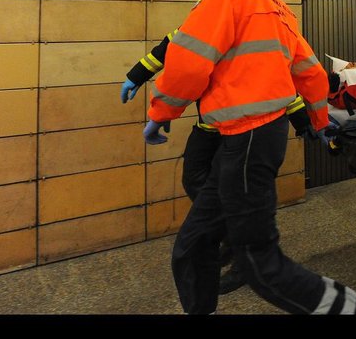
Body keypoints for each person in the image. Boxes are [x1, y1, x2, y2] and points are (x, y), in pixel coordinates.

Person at [146, 0, 356, 314]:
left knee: (262, 266)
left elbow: (189, 59)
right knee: (192, 246)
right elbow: (311, 71)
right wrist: (319, 120)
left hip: (247, 138)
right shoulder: (278, 7)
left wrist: (161, 112)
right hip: (257, 137)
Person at [123, 29, 310, 296]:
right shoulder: (205, 19)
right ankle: (231, 233)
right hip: (209, 124)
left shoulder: (253, 32)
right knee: (194, 179)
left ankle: (242, 258)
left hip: (243, 127)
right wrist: (136, 75)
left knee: (245, 194)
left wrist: (303, 120)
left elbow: (278, 82)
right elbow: (170, 48)